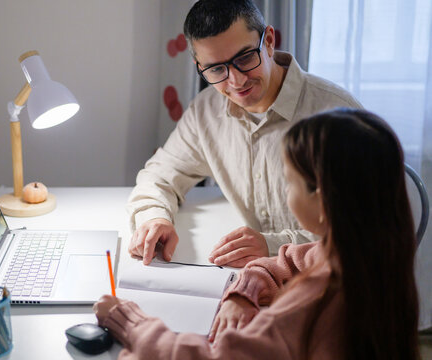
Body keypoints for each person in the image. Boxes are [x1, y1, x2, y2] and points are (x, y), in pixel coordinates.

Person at [95, 108, 420, 359]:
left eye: (289, 181)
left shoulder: (308, 305)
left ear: (321, 197)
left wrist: (134, 324)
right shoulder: (371, 254)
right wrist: (244, 291)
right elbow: (290, 260)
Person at [127, 0, 362, 267]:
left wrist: (273, 246)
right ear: (199, 67)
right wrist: (155, 218)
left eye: (245, 58)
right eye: (216, 69)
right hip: (250, 279)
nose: (236, 81)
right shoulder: (205, 112)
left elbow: (368, 230)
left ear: (269, 41)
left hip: (333, 282)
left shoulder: (338, 114)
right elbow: (158, 176)